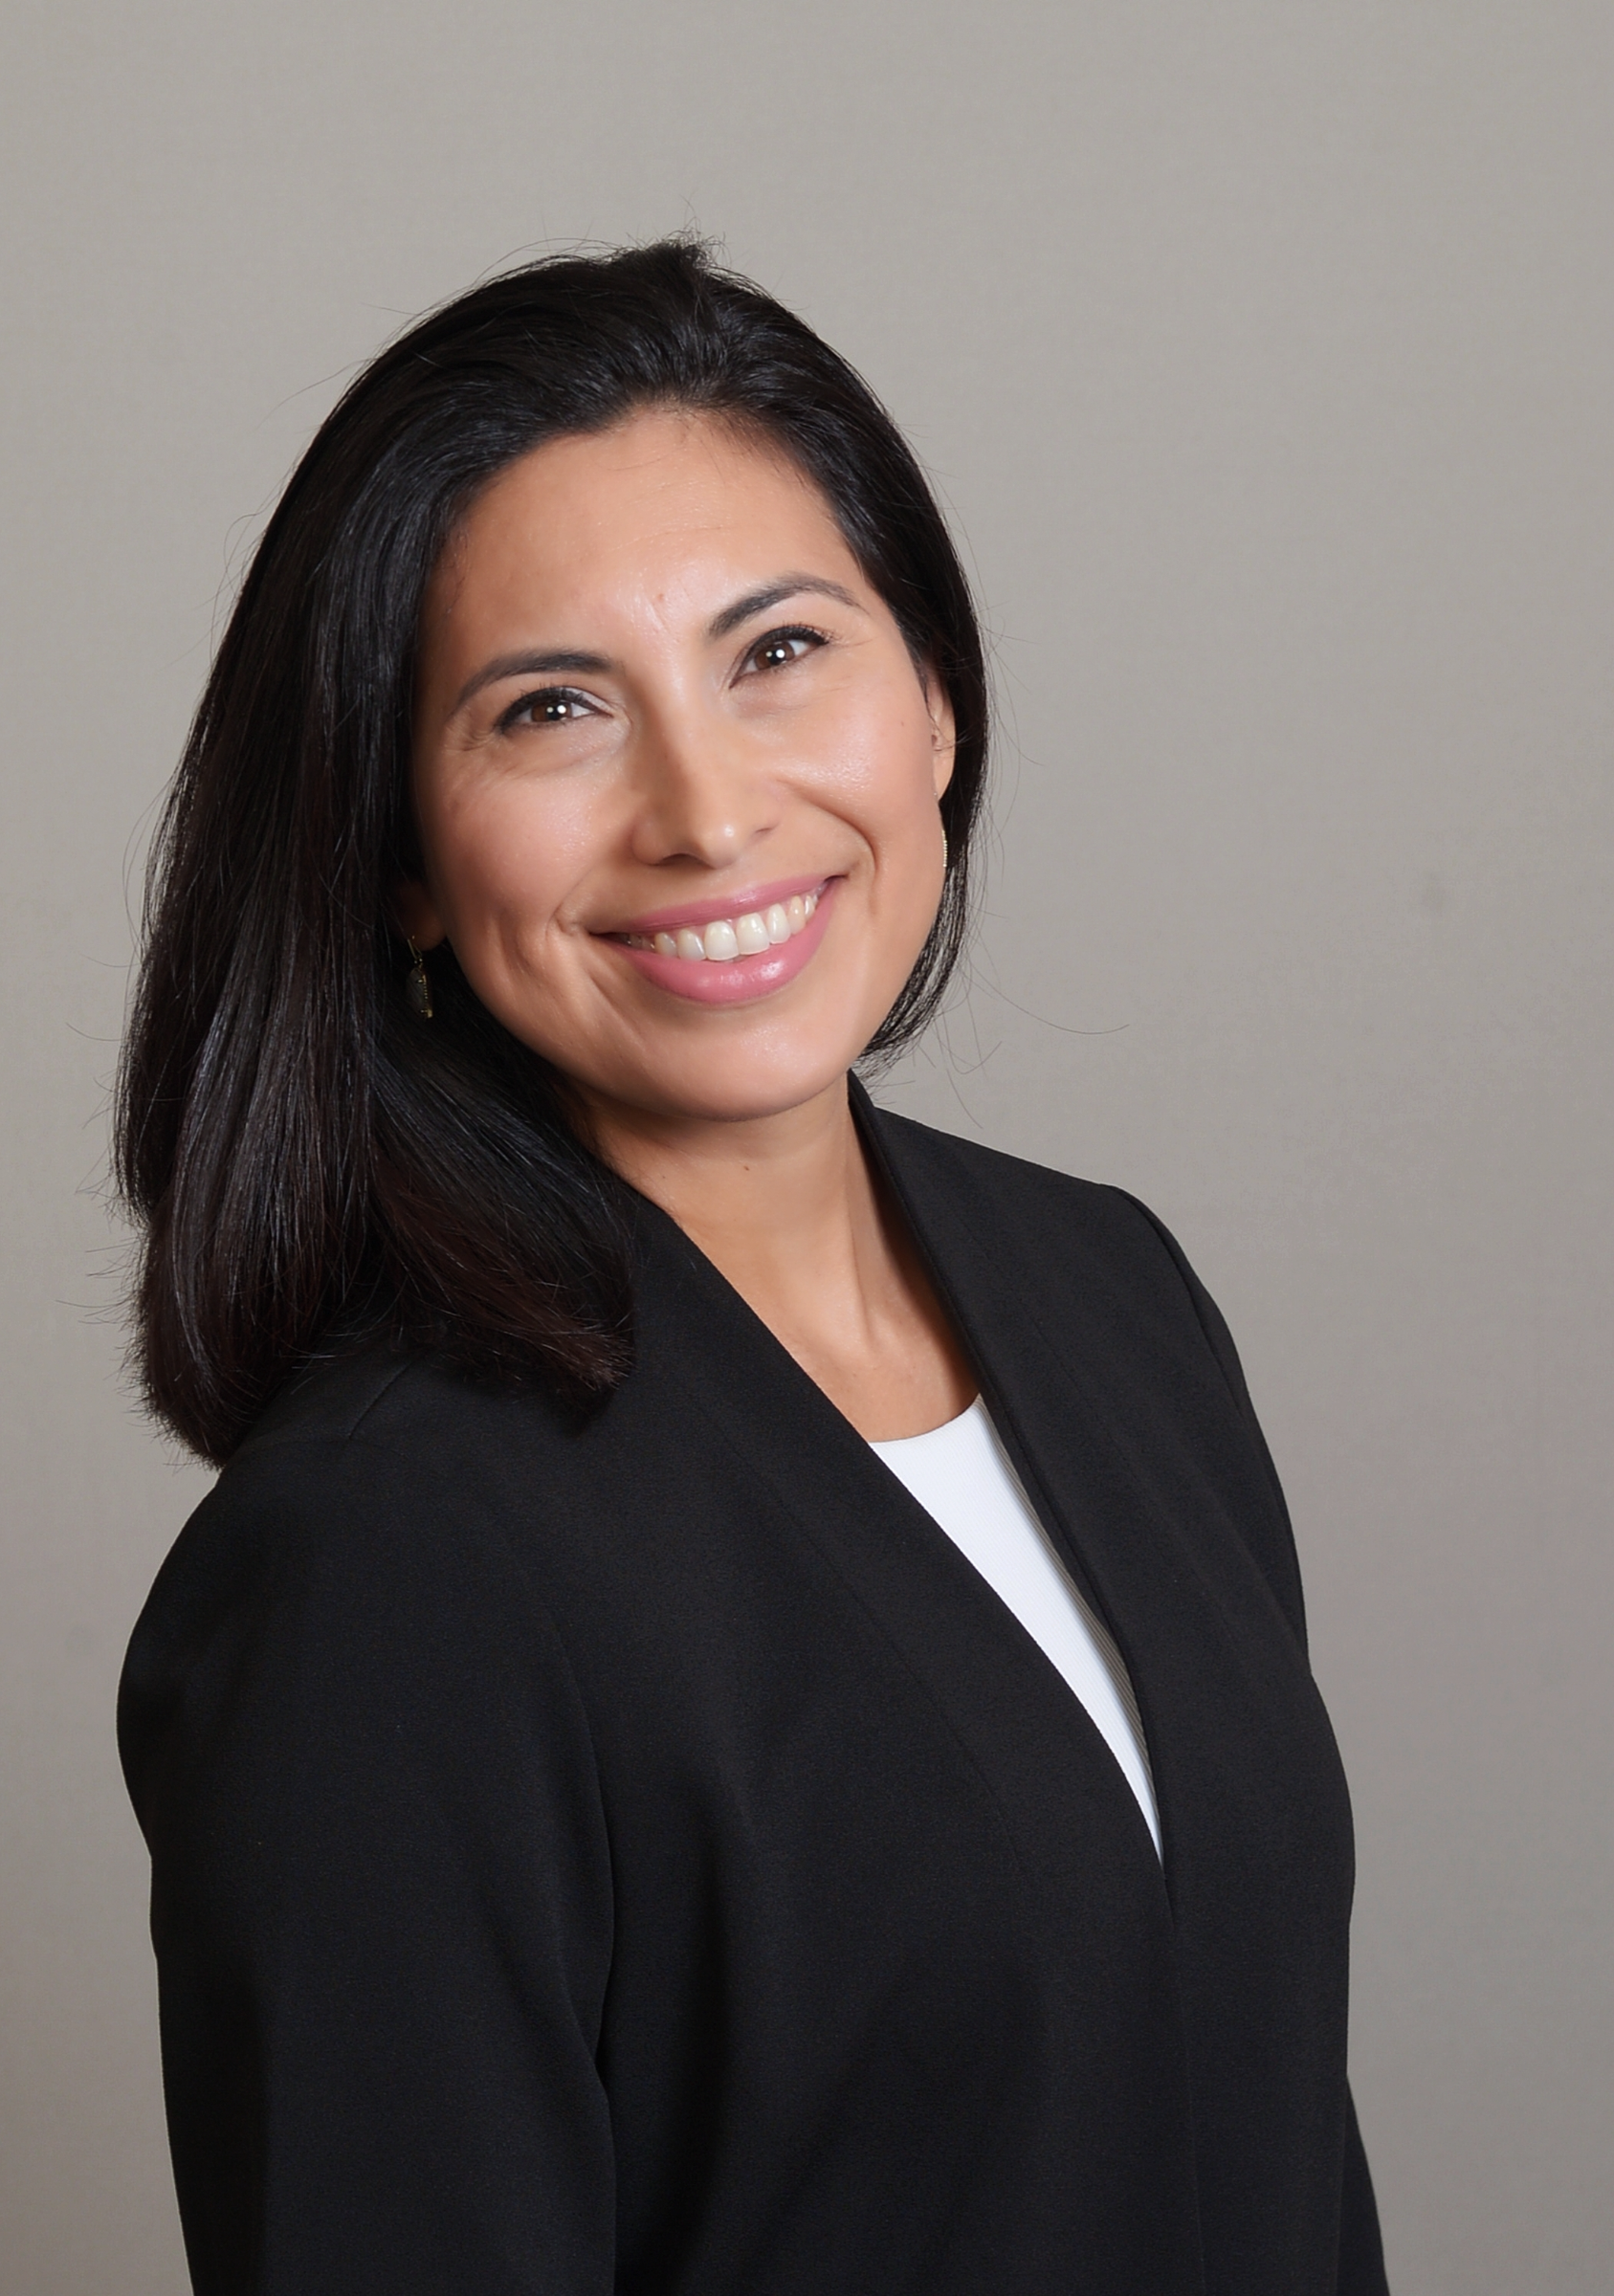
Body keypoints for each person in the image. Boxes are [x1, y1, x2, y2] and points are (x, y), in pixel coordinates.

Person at [115, 238, 1388, 2295]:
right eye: (550, 710)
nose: (708, 813)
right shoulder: (390, 1560)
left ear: (936, 700)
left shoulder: (1114, 1296)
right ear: (407, 872)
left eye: (780, 652)